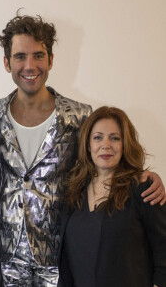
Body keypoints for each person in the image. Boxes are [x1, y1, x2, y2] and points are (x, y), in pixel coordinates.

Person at [0, 13, 166, 286]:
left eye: (38, 55)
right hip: (4, 255)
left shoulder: (79, 115)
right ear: (7, 63)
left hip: (59, 255)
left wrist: (144, 176)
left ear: (51, 60)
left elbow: (100, 163)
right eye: (20, 56)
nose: (29, 65)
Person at [58, 106, 166, 287]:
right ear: (88, 144)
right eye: (98, 137)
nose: (105, 145)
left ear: (125, 144)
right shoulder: (73, 191)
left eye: (115, 138)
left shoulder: (143, 188)